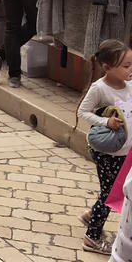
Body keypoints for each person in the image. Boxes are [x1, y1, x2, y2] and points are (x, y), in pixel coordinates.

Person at [77, 39, 132, 255]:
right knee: (110, 194)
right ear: (107, 67)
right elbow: (83, 112)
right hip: (107, 153)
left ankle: (91, 214)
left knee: (114, 191)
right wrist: (105, 122)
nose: (130, 70)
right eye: (126, 66)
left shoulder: (130, 85)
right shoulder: (99, 88)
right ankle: (91, 237)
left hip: (126, 151)